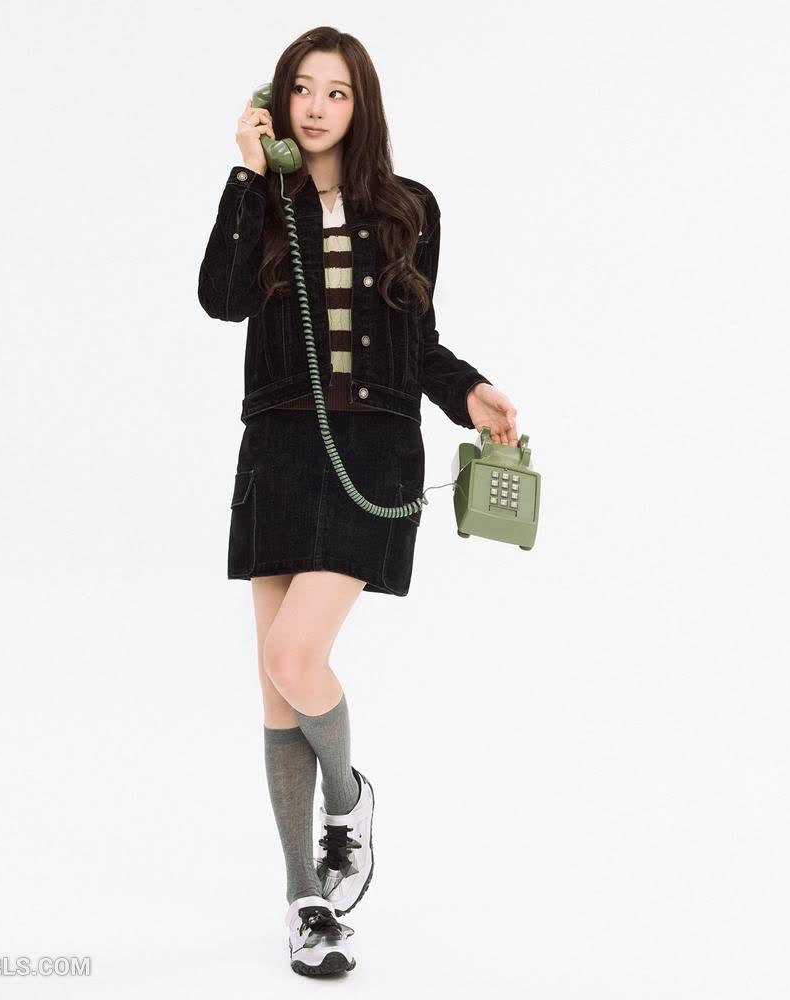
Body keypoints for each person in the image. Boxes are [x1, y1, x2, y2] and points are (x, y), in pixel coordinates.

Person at [197, 27, 519, 977]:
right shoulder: (265, 201)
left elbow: (418, 341)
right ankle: (307, 901)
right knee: (275, 683)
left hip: (371, 452)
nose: (316, 107)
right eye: (301, 89)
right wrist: (248, 172)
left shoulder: (408, 208)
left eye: (335, 92)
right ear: (278, 100)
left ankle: (347, 799)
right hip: (278, 448)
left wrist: (469, 393)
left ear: (360, 105)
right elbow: (220, 300)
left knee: (295, 655)